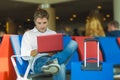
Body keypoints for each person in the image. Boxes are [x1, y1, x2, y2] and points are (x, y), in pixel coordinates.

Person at [21, 8, 78, 80]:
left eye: (44, 23)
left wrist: (53, 53)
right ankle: (53, 63)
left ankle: (53, 62)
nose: (42, 26)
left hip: (52, 57)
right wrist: (38, 50)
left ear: (48, 21)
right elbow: (24, 55)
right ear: (35, 22)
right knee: (61, 66)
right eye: (39, 23)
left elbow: (58, 51)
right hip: (38, 62)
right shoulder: (28, 34)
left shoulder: (53, 33)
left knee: (73, 43)